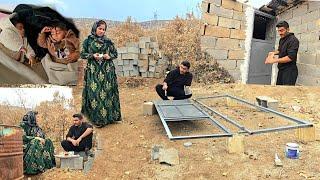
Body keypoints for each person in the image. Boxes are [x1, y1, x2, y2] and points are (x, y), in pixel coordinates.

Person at [80, 20, 121, 127]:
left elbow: (115, 54)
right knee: (95, 94)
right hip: (93, 72)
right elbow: (82, 54)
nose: (102, 31)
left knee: (107, 93)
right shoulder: (88, 41)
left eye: (104, 29)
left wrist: (109, 56)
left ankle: (110, 118)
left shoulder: (108, 41)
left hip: (107, 72)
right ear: (95, 28)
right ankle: (98, 120)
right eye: (100, 28)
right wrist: (92, 56)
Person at [265, 21, 299, 85]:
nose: (280, 33)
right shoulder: (282, 39)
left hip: (289, 71)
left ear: (288, 29)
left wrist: (274, 60)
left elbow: (290, 57)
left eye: (282, 30)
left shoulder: (293, 40)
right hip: (281, 69)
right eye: (278, 31)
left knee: (286, 92)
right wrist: (273, 53)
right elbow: (280, 50)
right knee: (279, 89)